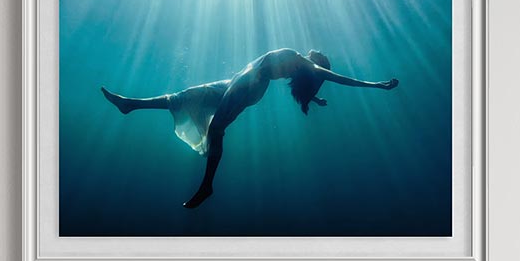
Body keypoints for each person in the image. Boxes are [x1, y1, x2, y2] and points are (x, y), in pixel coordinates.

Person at [101, 46, 398, 209]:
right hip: (237, 80)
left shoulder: (307, 63)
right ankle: (131, 104)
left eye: (319, 54)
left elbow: (337, 78)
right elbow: (311, 83)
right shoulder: (298, 61)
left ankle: (207, 186)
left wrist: (376, 84)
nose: (317, 49)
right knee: (185, 96)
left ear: (317, 60)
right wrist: (315, 97)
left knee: (216, 128)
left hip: (249, 85)